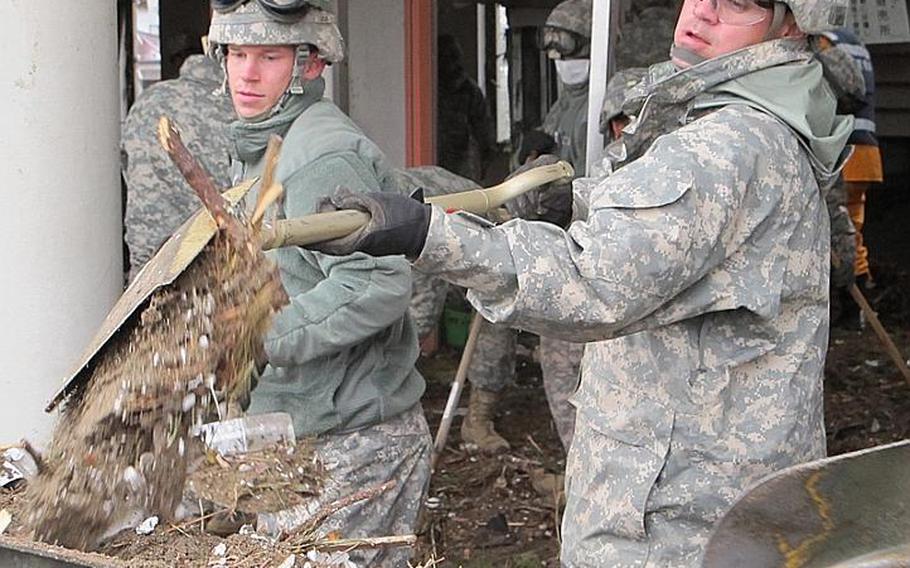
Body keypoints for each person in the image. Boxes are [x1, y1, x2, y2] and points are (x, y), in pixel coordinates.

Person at [309, 0, 854, 563]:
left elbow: (592, 282)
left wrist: (427, 235)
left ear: (790, 23)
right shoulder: (756, 123)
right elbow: (693, 231)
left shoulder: (729, 145)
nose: (701, 13)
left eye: (739, 2)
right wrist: (580, 199)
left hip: (678, 524)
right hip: (732, 502)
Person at [206, 3, 431, 566]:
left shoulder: (321, 155)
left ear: (309, 65)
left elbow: (376, 281)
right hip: (302, 433)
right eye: (236, 54)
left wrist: (255, 336)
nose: (247, 74)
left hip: (355, 445)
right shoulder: (268, 144)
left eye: (269, 57)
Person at [122, 50, 234, 282]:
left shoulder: (146, 101)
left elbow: (125, 162)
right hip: (207, 245)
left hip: (146, 241)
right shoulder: (229, 106)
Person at [819, 28, 883, 328]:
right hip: (868, 148)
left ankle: (850, 306)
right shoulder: (855, 42)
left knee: (842, 231)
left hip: (846, 149)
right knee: (855, 228)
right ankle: (859, 303)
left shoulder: (824, 42)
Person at [437, 34, 494, 183]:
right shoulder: (430, 89)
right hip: (435, 155)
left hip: (462, 158)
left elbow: (483, 131)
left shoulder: (469, 90)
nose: (450, 63)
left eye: (453, 57)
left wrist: (484, 159)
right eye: (445, 57)